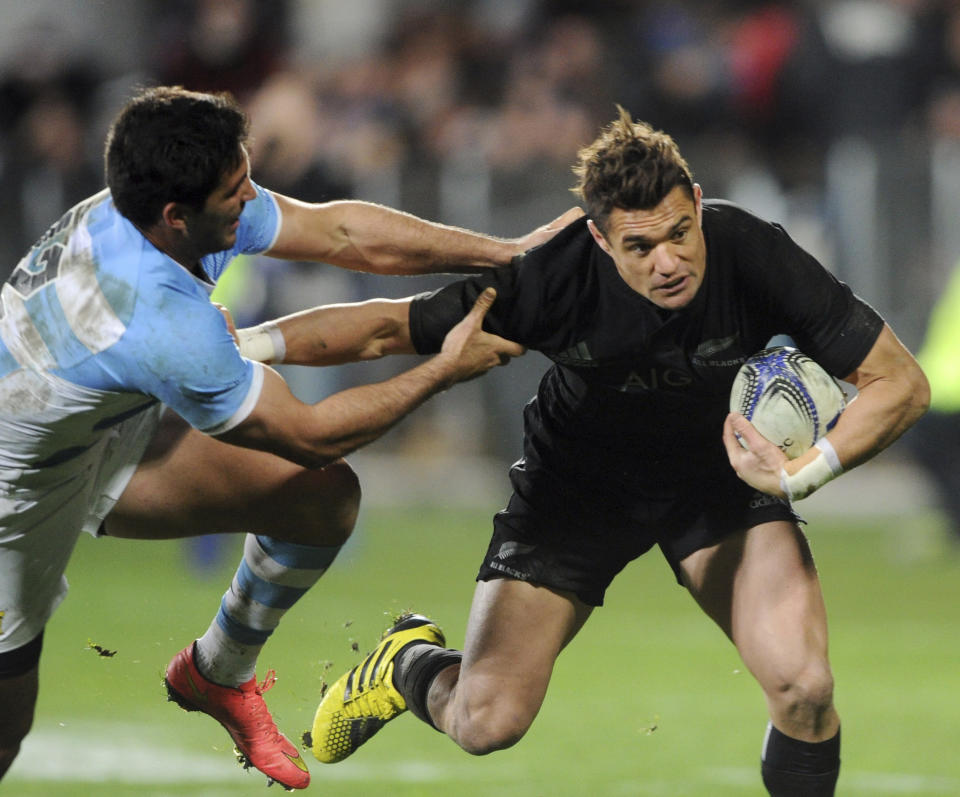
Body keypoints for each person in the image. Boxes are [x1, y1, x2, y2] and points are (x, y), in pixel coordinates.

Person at [305, 107, 929, 795]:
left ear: (696, 205)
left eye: (679, 233)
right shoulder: (553, 277)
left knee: (805, 686)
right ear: (600, 240)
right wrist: (250, 348)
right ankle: (407, 663)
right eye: (640, 247)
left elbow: (900, 382)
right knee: (486, 720)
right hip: (579, 488)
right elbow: (384, 329)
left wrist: (803, 472)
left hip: (718, 480)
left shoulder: (752, 253)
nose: (668, 262)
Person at [0, 85, 581, 791]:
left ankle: (218, 671)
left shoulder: (146, 212)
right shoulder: (158, 320)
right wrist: (444, 370)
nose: (253, 199)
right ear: (177, 217)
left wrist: (506, 251)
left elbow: (339, 232)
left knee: (319, 501)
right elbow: (306, 434)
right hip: (14, 501)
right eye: (235, 192)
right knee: (5, 734)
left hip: (102, 436)